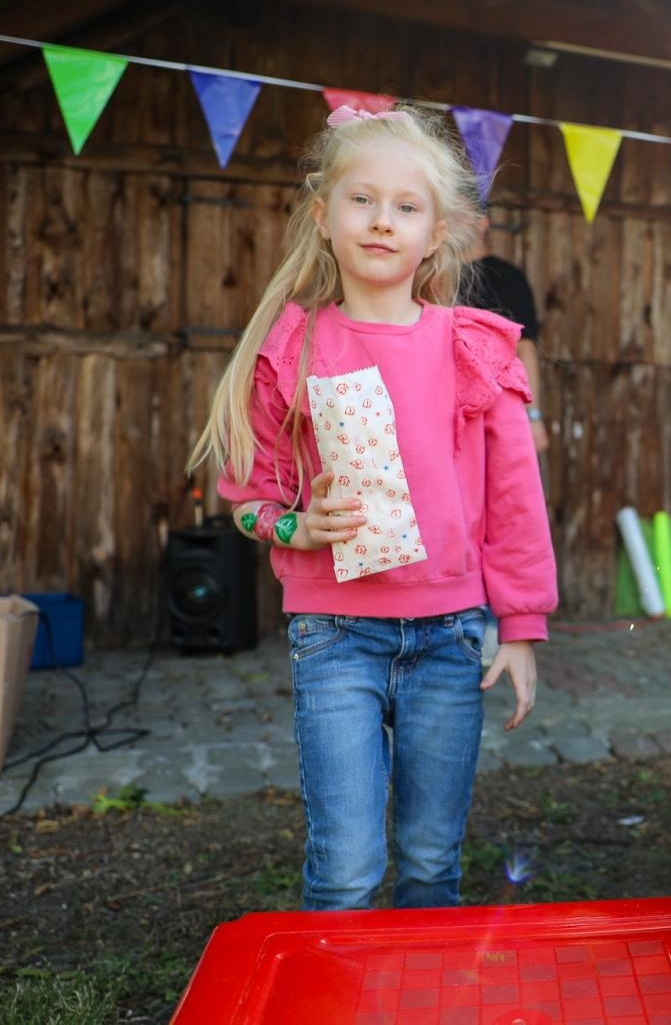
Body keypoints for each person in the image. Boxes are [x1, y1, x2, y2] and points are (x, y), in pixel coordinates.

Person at [187, 104, 557, 911]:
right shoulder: (293, 349)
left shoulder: (472, 347)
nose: (383, 221)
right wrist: (296, 526)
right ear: (324, 216)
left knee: (430, 860)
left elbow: (515, 500)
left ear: (437, 233)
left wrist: (522, 625)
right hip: (334, 638)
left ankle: (426, 980)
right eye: (363, 200)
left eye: (406, 206)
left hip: (450, 636)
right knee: (347, 869)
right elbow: (248, 501)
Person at [463, 218, 550, 458]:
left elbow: (525, 349)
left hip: (498, 410)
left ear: (481, 223)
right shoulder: (435, 276)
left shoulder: (507, 278)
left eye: (460, 215)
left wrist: (533, 416)